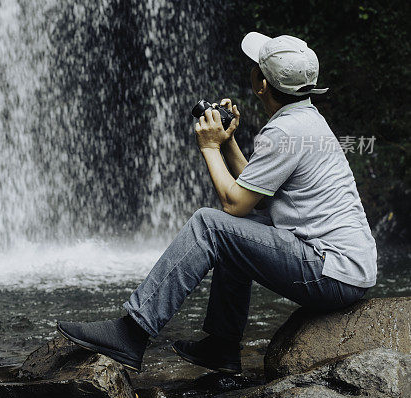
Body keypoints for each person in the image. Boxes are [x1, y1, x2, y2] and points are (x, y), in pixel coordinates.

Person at [58, 32, 377, 373]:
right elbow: (255, 195)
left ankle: (131, 333)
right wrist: (228, 143)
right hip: (345, 269)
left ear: (261, 84)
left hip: (330, 271)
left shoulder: (284, 132)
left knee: (209, 225)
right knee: (233, 235)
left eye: (255, 68)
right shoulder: (305, 121)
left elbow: (234, 204)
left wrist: (209, 146)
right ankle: (221, 347)